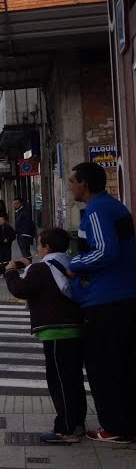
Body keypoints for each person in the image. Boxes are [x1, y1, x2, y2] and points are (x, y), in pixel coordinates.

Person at [66, 162, 136, 442]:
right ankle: (126, 422)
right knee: (124, 364)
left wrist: (77, 264)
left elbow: (105, 251)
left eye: (72, 180)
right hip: (122, 295)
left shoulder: (96, 210)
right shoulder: (112, 206)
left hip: (107, 299)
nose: (70, 185)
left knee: (103, 365)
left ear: (84, 183)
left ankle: (114, 426)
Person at [4, 228, 85, 444]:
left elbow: (21, 289)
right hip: (76, 327)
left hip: (56, 330)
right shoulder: (68, 262)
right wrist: (30, 267)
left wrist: (11, 271)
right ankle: (77, 423)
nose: (37, 248)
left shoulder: (41, 269)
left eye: (39, 244)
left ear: (47, 247)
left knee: (59, 381)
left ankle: (65, 430)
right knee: (73, 379)